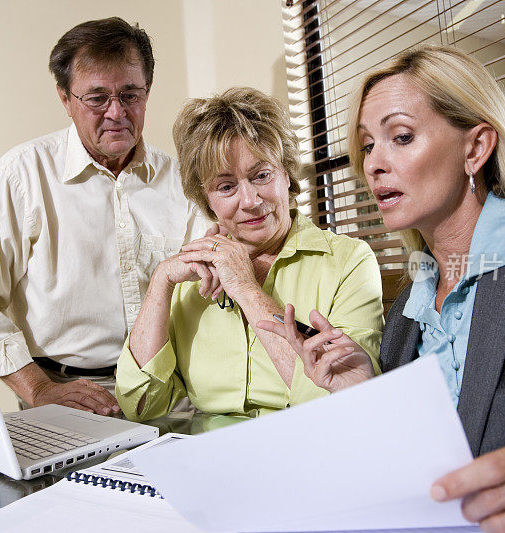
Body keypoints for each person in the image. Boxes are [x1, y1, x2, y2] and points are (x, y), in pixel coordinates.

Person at [259, 45, 505, 531]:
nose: (373, 164)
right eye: (368, 144)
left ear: (475, 148)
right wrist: (369, 392)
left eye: (401, 136)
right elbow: (422, 475)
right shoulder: (405, 318)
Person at [0, 18, 205, 416]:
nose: (116, 112)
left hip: (172, 391)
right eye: (97, 98)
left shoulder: (182, 180)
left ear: (147, 92)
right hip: (64, 394)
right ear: (65, 99)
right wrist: (38, 389)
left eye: (130, 94)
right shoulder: (20, 176)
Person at [115, 87, 384, 421]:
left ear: (286, 173)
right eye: (226, 187)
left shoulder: (349, 261)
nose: (250, 201)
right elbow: (140, 404)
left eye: (261, 175)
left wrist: (245, 287)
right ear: (206, 199)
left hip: (308, 448)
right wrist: (161, 281)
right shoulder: (192, 276)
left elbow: (341, 400)